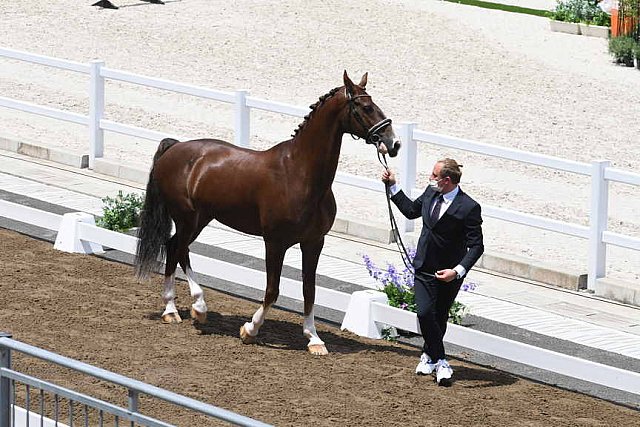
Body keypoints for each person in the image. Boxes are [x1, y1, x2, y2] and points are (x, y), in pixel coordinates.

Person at [381, 158, 484, 386]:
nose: (430, 178)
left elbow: (477, 246)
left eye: (434, 175)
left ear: (447, 181)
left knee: (439, 316)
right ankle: (442, 360)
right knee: (425, 313)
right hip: (424, 268)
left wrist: (457, 271)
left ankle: (428, 356)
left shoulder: (469, 207)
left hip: (449, 272)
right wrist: (393, 186)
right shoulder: (430, 193)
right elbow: (410, 211)